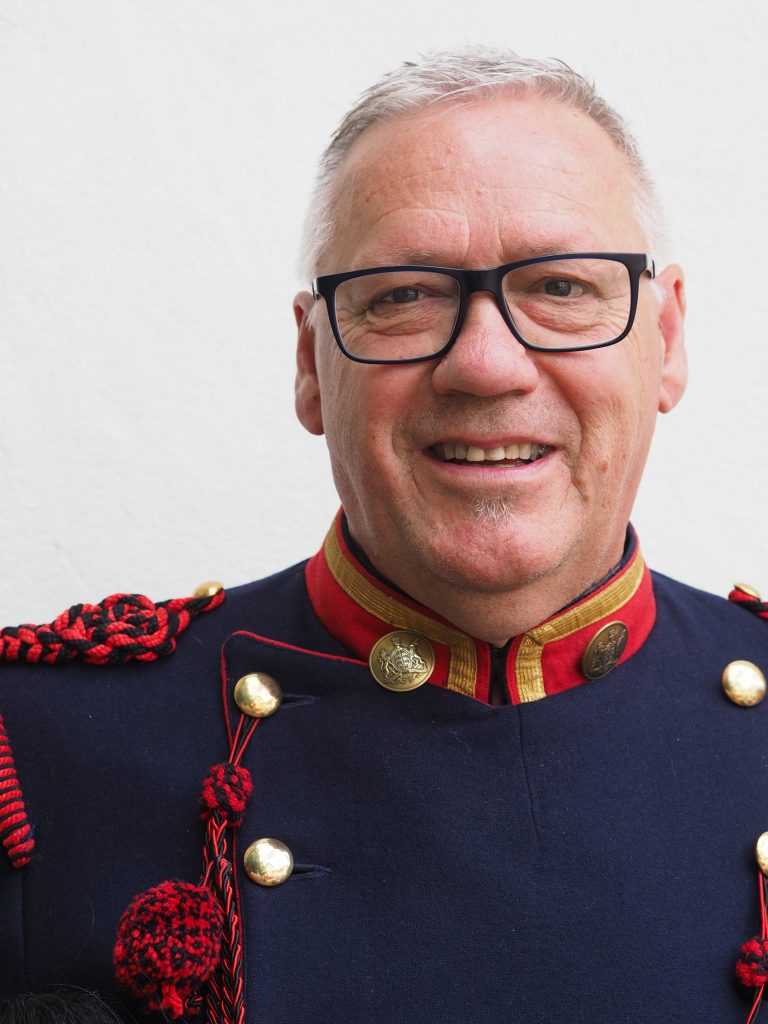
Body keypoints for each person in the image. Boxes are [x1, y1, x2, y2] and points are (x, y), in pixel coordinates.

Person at [1, 46, 767, 1024]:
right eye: (403, 295)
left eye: (563, 288)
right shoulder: (38, 750)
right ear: (311, 364)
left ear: (667, 339)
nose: (487, 364)